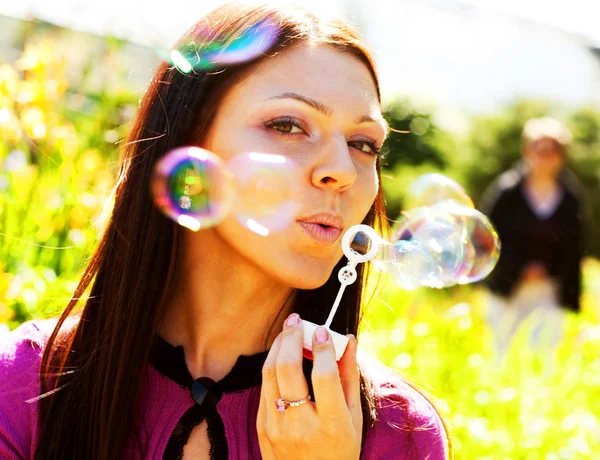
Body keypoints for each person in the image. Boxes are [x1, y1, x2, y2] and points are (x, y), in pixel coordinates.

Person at [0, 3, 449, 459]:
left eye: (362, 144)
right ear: (189, 151)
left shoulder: (399, 432)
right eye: (288, 125)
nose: (342, 170)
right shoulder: (25, 382)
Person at [480, 117, 583, 356]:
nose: (546, 157)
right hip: (508, 288)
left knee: (543, 356)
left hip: (549, 291)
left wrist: (550, 271)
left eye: (553, 150)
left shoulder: (569, 197)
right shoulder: (506, 192)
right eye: (540, 149)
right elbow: (486, 237)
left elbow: (574, 247)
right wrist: (520, 268)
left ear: (562, 155)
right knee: (503, 353)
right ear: (527, 151)